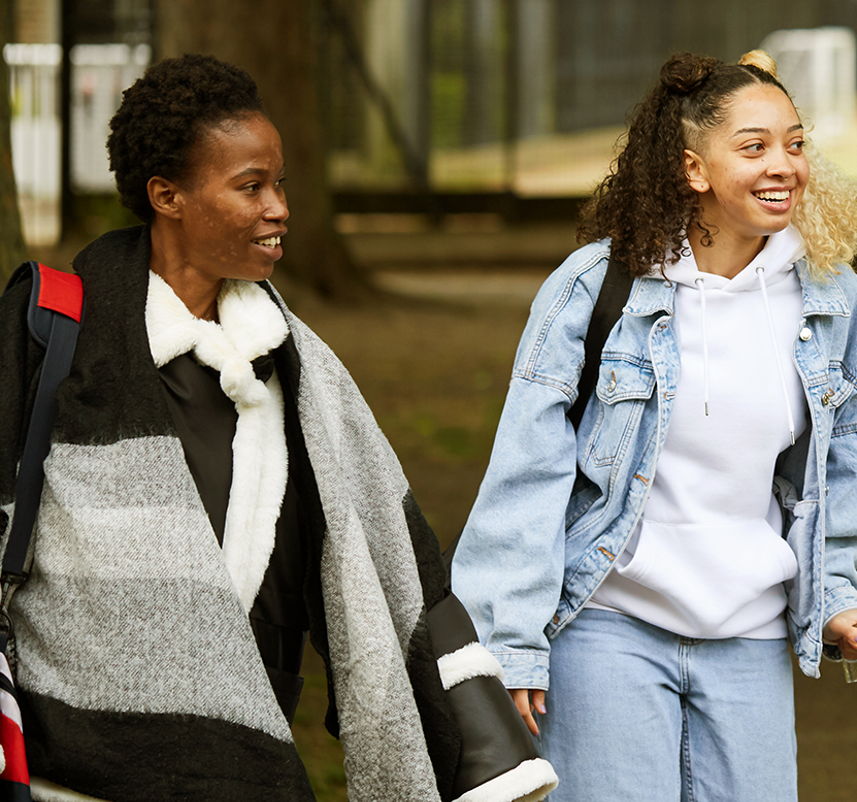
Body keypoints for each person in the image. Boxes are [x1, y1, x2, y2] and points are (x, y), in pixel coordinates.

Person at [0, 55, 554, 801]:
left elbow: (393, 557)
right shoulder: (52, 333)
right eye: (250, 186)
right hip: (71, 770)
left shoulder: (299, 371)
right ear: (168, 196)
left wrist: (483, 748)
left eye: (280, 182)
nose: (280, 208)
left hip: (246, 764)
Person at [451, 50, 857, 800]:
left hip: (748, 637)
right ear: (692, 170)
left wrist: (839, 590)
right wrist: (511, 642)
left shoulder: (831, 294)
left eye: (794, 142)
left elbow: (845, 451)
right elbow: (530, 469)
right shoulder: (596, 286)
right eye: (753, 147)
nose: (783, 164)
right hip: (608, 626)